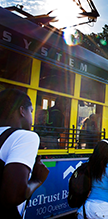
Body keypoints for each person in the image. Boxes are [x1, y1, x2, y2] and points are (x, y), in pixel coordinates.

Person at [0, 89, 49, 218]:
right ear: (22, 111)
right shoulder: (25, 137)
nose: (32, 118)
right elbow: (14, 195)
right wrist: (37, 180)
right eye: (31, 111)